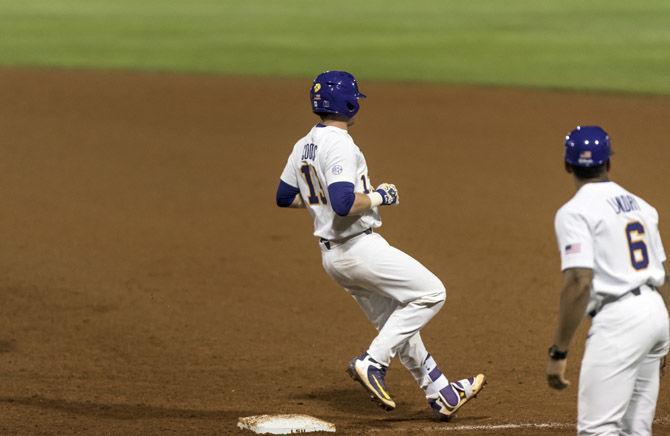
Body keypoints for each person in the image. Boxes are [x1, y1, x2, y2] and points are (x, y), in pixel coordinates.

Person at [275, 70, 485, 420]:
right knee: (431, 293)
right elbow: (343, 202)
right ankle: (372, 362)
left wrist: (319, 205)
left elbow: (285, 196)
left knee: (395, 323)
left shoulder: (303, 144)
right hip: (358, 250)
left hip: (334, 259)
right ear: (349, 103)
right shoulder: (339, 143)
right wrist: (379, 197)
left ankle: (441, 392)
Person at [546, 125, 670, 435]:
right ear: (608, 163)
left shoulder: (573, 212)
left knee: (597, 430)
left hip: (620, 325)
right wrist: (661, 335)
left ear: (567, 165)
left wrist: (559, 352)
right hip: (656, 313)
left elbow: (579, 281)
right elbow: (663, 275)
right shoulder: (643, 207)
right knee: (635, 430)